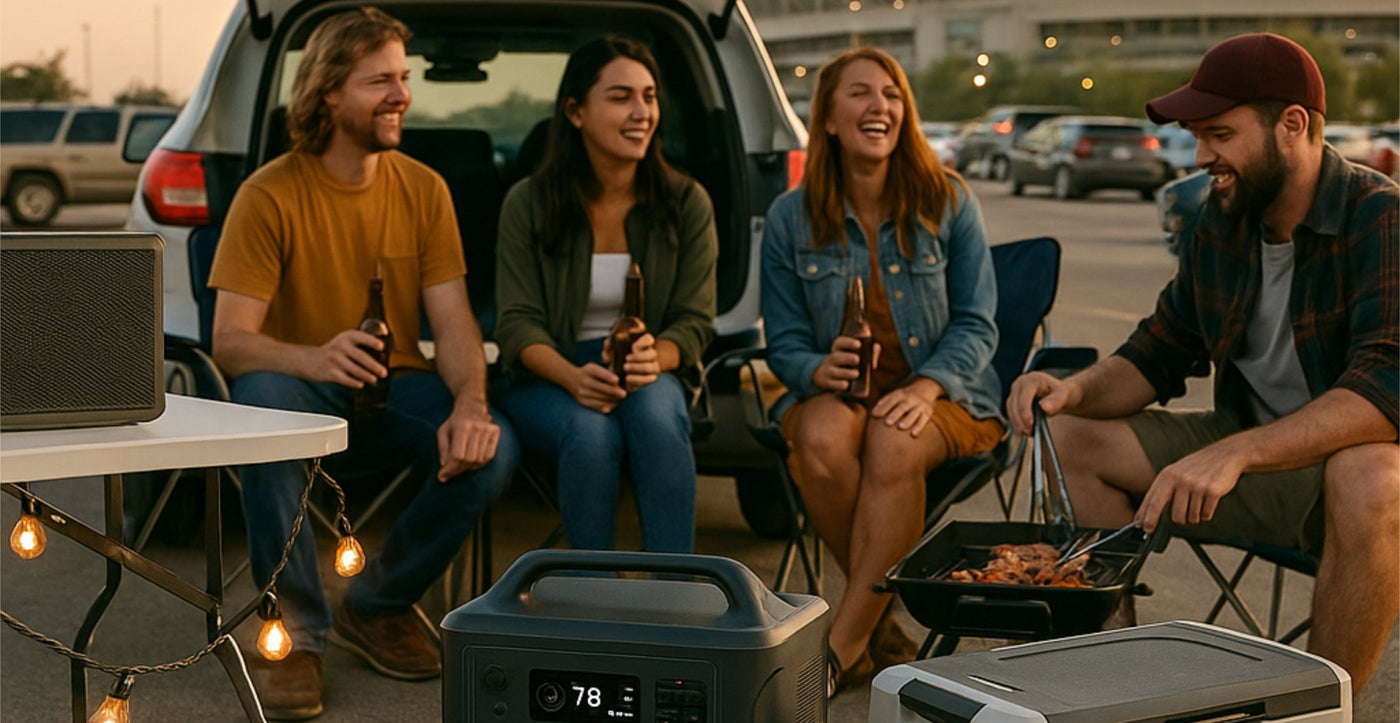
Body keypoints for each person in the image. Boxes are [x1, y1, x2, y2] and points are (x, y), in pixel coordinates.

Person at [1006, 33, 1398, 695]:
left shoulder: (1378, 218)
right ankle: (1112, 683)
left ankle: (1323, 711)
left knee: (1370, 471)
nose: (1202, 156)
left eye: (1220, 133)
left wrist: (1237, 451)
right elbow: (1158, 350)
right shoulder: (1221, 219)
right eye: (1196, 136)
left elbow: (1386, 387)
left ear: (1292, 126)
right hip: (1252, 463)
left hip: (1351, 480)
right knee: (1068, 439)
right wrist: (1069, 391)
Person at [207, 8, 519, 720]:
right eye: (380, 80)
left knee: (495, 446)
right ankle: (299, 636)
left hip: (395, 391)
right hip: (297, 388)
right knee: (266, 407)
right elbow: (231, 340)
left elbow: (455, 322)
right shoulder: (269, 193)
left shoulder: (423, 188)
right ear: (327, 93)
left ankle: (377, 604)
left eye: (403, 79)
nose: (401, 95)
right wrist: (316, 354)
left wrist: (471, 404)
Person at [761, 47, 1005, 696]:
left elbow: (979, 323)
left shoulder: (948, 198)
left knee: (892, 437)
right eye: (862, 94)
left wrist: (927, 385)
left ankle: (841, 645)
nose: (881, 106)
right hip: (844, 395)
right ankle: (882, 626)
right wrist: (821, 365)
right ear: (830, 120)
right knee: (818, 438)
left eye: (893, 94)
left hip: (948, 391)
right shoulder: (791, 216)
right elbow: (782, 345)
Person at [493, 36, 717, 553]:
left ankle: (675, 598)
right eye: (621, 97)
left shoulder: (686, 201)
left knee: (660, 419)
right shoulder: (527, 202)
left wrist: (652, 359)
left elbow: (695, 319)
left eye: (650, 96)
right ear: (575, 111)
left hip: (648, 367)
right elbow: (516, 322)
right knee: (590, 435)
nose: (642, 112)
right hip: (550, 372)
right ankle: (591, 599)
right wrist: (572, 377)